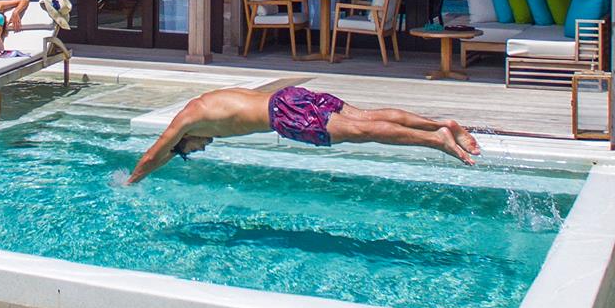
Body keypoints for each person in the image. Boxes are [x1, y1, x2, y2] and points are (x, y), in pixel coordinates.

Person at [124, 85, 480, 185]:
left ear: (184, 142)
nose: (201, 148)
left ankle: (436, 141)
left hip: (286, 114)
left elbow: (155, 153)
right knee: (369, 116)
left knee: (363, 131)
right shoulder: (204, 102)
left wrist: (132, 181)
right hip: (290, 96)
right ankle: (442, 124)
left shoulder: (187, 121)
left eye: (192, 150)